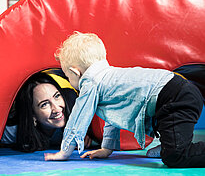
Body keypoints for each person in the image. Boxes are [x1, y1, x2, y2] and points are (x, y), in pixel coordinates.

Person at [44, 31, 205, 168]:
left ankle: (173, 148)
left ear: (75, 72)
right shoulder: (108, 78)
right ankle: (169, 144)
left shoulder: (90, 82)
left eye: (68, 76)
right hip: (177, 92)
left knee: (175, 156)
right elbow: (113, 116)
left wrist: (64, 151)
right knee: (167, 142)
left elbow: (78, 118)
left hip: (175, 96)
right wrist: (106, 149)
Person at [0, 71, 98, 152]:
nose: (57, 109)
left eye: (57, 96)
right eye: (44, 104)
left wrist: (87, 137)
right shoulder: (14, 132)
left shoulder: (75, 108)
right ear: (33, 115)